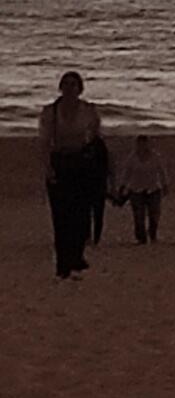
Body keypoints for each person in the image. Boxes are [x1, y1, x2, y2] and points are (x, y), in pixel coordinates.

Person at [37, 71, 103, 279]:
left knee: (81, 215)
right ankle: (62, 265)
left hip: (82, 164)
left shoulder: (89, 110)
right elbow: (45, 142)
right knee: (61, 217)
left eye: (73, 84)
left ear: (80, 88)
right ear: (60, 87)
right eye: (65, 84)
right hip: (60, 163)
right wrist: (48, 168)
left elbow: (97, 139)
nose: (69, 88)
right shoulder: (51, 111)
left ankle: (76, 259)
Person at [121, 135, 169, 244]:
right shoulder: (132, 158)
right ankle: (141, 238)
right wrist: (123, 186)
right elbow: (126, 173)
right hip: (136, 190)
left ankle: (153, 235)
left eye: (144, 143)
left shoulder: (156, 157)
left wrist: (165, 185)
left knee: (154, 214)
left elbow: (162, 171)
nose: (142, 146)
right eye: (140, 143)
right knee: (138, 216)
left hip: (153, 189)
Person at [85, 130, 112, 248]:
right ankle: (93, 238)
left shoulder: (97, 147)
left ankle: (93, 238)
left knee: (94, 214)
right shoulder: (86, 146)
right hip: (93, 186)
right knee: (94, 214)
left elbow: (108, 167)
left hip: (96, 186)